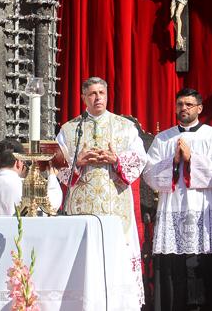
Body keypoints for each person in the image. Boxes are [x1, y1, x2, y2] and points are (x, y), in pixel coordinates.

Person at [57, 76, 147, 309]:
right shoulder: (69, 129)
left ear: (107, 95)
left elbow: (139, 159)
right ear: (83, 97)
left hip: (114, 206)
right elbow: (57, 166)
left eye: (101, 93)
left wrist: (116, 160)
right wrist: (78, 161)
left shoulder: (125, 127)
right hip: (81, 207)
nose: (97, 98)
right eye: (92, 94)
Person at [143, 87, 212, 311]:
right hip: (173, 212)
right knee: (175, 274)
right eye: (180, 104)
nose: (184, 108)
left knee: (204, 275)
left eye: (189, 104)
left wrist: (192, 158)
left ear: (199, 108)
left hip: (205, 215)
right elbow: (148, 174)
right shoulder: (164, 139)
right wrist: (172, 161)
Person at [0, 138, 62, 215]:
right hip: (17, 231)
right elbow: (52, 204)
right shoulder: (24, 185)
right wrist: (52, 176)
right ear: (18, 162)